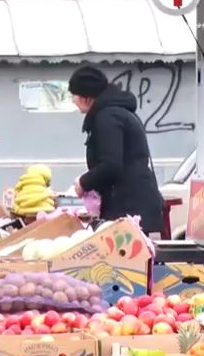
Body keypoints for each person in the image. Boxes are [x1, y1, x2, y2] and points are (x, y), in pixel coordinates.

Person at [69, 66, 164, 234]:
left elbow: (111, 165)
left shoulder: (108, 118)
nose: (72, 100)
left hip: (129, 207)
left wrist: (83, 182)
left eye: (74, 94)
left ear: (86, 96)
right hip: (131, 204)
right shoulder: (115, 113)